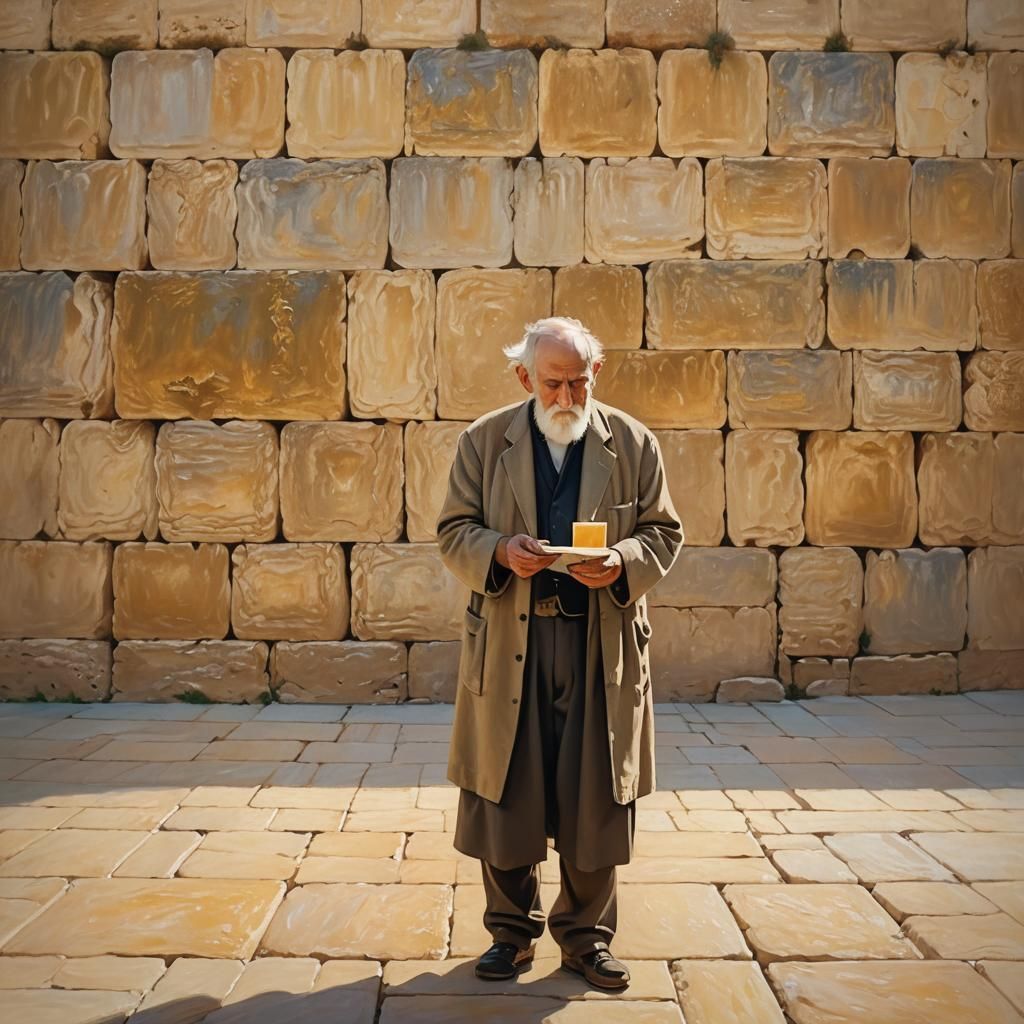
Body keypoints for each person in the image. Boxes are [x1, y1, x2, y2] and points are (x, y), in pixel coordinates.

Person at [436, 316, 683, 989]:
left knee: (596, 796)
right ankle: (511, 937)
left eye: (580, 380)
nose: (569, 395)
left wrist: (621, 559)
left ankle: (586, 940)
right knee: (505, 791)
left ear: (594, 374)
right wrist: (498, 552)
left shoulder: (632, 442)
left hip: (598, 645)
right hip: (513, 640)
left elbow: (663, 533)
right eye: (554, 382)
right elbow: (454, 529)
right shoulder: (484, 441)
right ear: (524, 378)